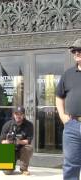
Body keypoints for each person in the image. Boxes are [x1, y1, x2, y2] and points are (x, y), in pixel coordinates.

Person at [56, 38, 81, 180]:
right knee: (71, 165)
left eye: (79, 50)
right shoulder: (68, 74)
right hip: (72, 125)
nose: (76, 53)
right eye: (74, 51)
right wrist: (63, 116)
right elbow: (59, 97)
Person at [0, 106, 33, 176]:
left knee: (28, 147)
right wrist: (8, 141)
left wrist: (19, 141)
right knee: (7, 172)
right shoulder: (7, 125)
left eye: (20, 114)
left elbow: (28, 141)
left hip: (22, 149)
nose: (18, 116)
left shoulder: (29, 125)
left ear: (24, 115)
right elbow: (2, 141)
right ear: (14, 115)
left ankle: (24, 169)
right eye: (16, 114)